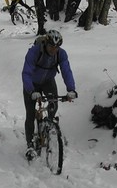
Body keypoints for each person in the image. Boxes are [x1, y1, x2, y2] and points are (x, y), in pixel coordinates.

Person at [21, 29, 77, 161]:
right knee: (30, 114)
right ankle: (30, 145)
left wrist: (71, 90)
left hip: (48, 82)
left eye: (57, 47)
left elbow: (66, 71)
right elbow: (26, 73)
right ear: (46, 43)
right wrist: (31, 91)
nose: (54, 50)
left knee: (53, 104)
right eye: (52, 46)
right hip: (32, 83)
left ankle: (49, 126)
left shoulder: (61, 54)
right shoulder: (34, 52)